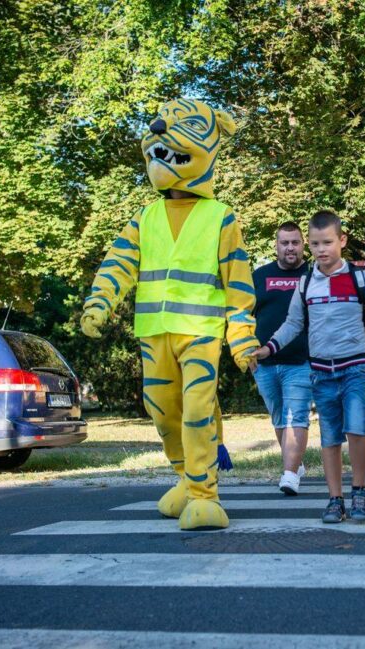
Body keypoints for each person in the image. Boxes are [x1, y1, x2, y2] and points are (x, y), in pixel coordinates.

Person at [80, 99, 257, 531]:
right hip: (153, 331)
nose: (160, 129)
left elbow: (238, 281)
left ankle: (204, 494)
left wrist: (243, 337)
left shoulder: (221, 216)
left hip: (200, 331)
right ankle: (185, 478)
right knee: (161, 410)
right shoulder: (145, 216)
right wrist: (100, 300)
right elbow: (117, 262)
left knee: (197, 409)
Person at [252, 211, 365, 524]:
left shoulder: (358, 278)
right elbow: (293, 323)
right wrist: (268, 348)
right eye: (315, 244)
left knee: (356, 429)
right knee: (330, 438)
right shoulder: (305, 283)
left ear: (341, 241)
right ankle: (335, 498)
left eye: (327, 242)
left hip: (354, 367)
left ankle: (360, 490)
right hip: (321, 372)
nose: (321, 249)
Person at [251, 221, 312, 495]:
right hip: (263, 363)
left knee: (295, 416)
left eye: (295, 242)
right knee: (278, 417)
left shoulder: (314, 276)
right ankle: (294, 463)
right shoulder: (259, 276)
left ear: (303, 245)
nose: (290, 247)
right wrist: (246, 350)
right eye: (284, 242)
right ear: (276, 245)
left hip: (301, 362)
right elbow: (243, 315)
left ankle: (289, 474)